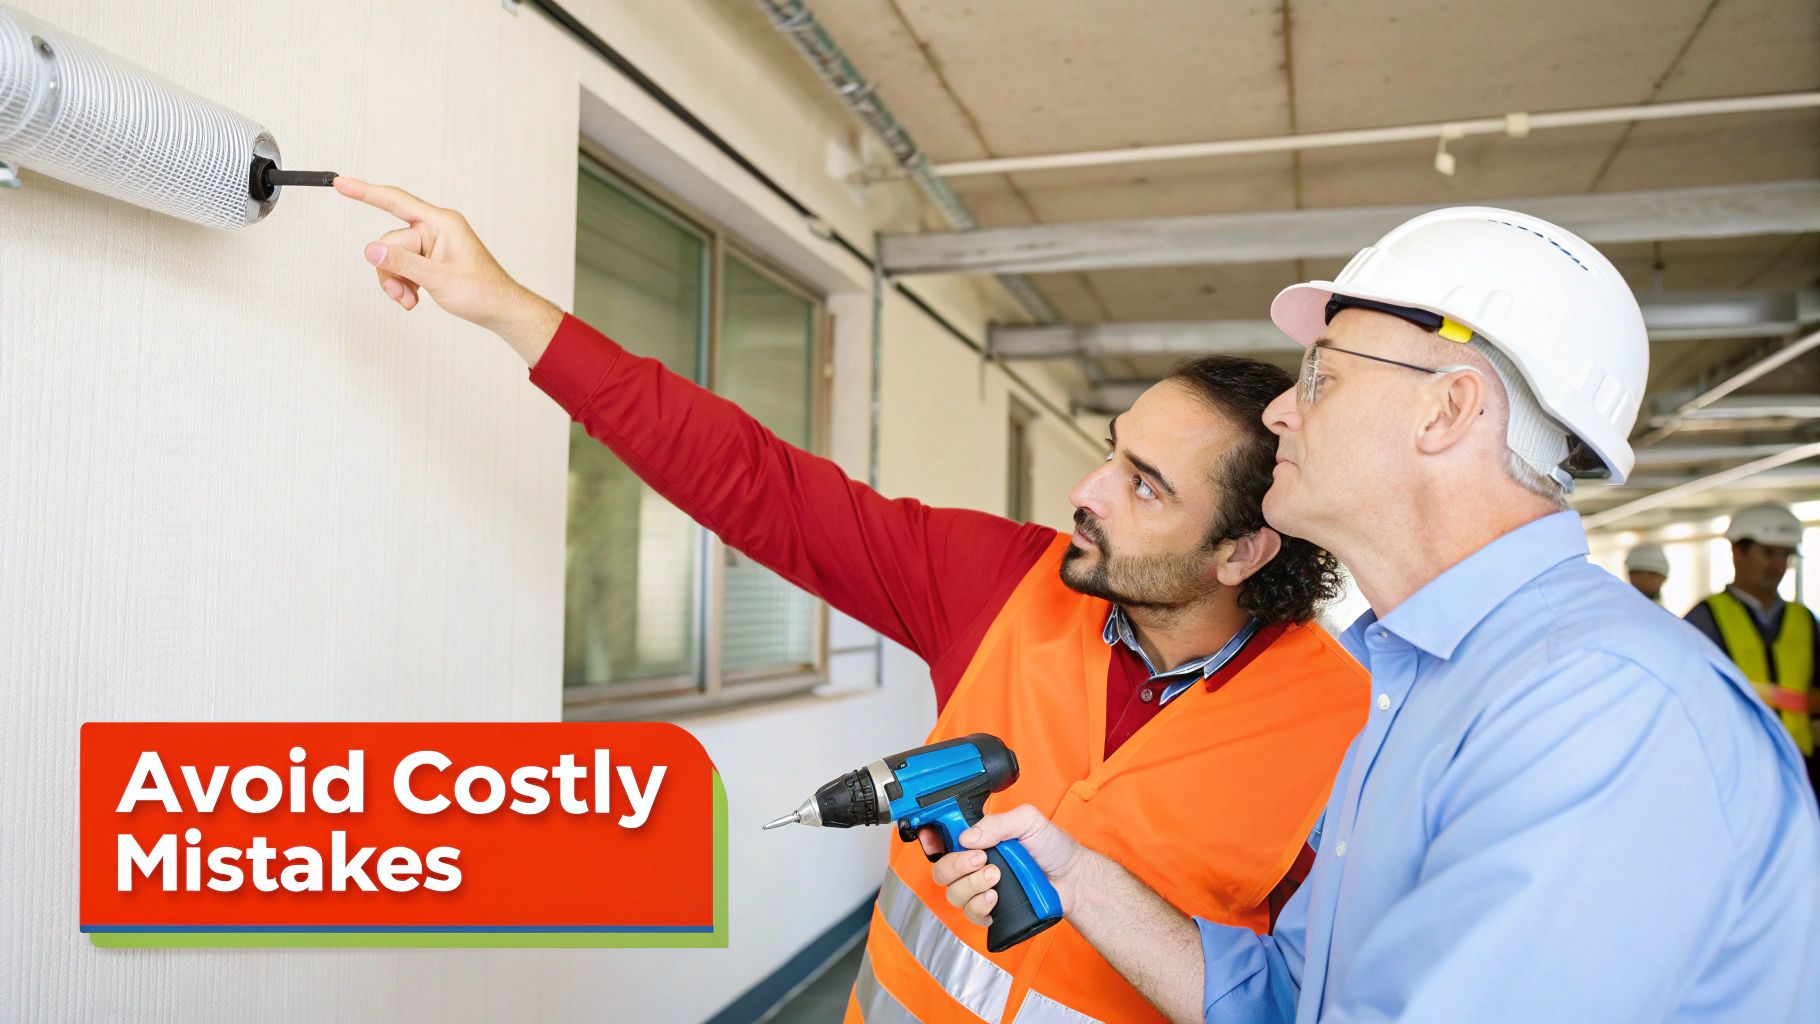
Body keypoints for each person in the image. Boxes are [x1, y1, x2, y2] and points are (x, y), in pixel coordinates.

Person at [330, 177, 1369, 1023]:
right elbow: (758, 486)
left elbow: (1312, 995)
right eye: (1110, 455)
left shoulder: (1346, 727)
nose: (1085, 494)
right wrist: (513, 311)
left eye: (1143, 485)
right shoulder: (1003, 579)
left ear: (1240, 550)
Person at [929, 207, 1820, 1022]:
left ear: (1448, 409)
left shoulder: (1600, 707)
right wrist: (1079, 878)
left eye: (1321, 376)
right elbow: (1287, 998)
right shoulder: (1408, 685)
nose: (1281, 410)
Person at [1685, 503, 1819, 797]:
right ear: (1738, 552)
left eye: (1786, 555)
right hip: (1736, 769)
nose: (1777, 565)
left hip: (1802, 768)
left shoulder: (1805, 620)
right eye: (1767, 552)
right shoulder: (1704, 619)